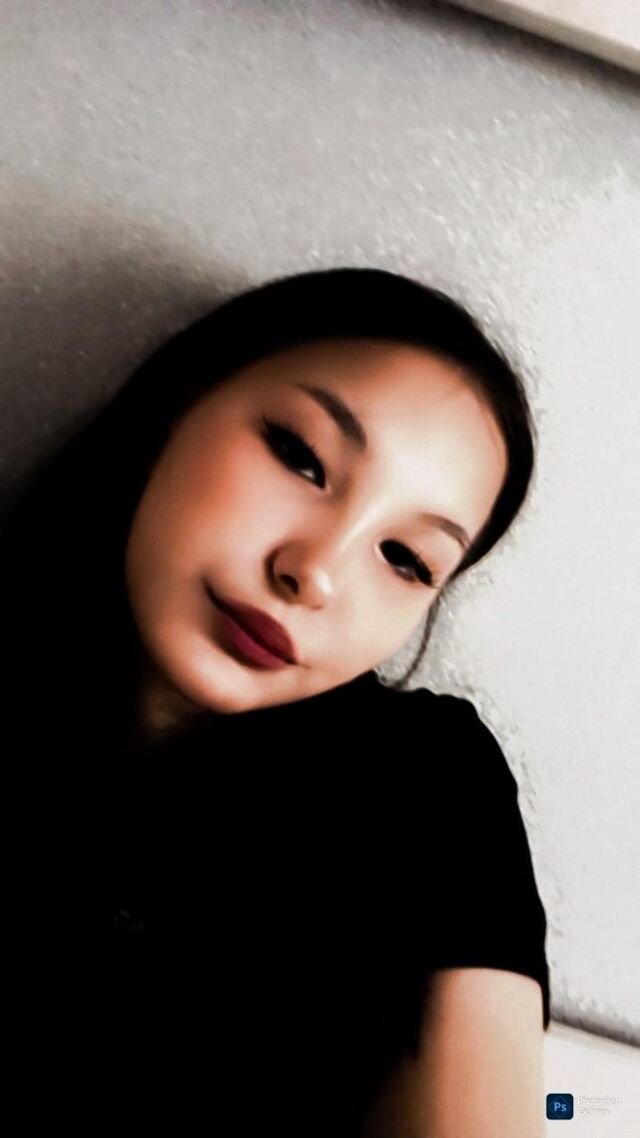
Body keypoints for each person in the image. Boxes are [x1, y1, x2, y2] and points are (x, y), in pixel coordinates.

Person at [2, 267, 550, 1136]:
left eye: (406, 559)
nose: (316, 573)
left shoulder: (431, 785)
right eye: (301, 456)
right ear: (182, 400)